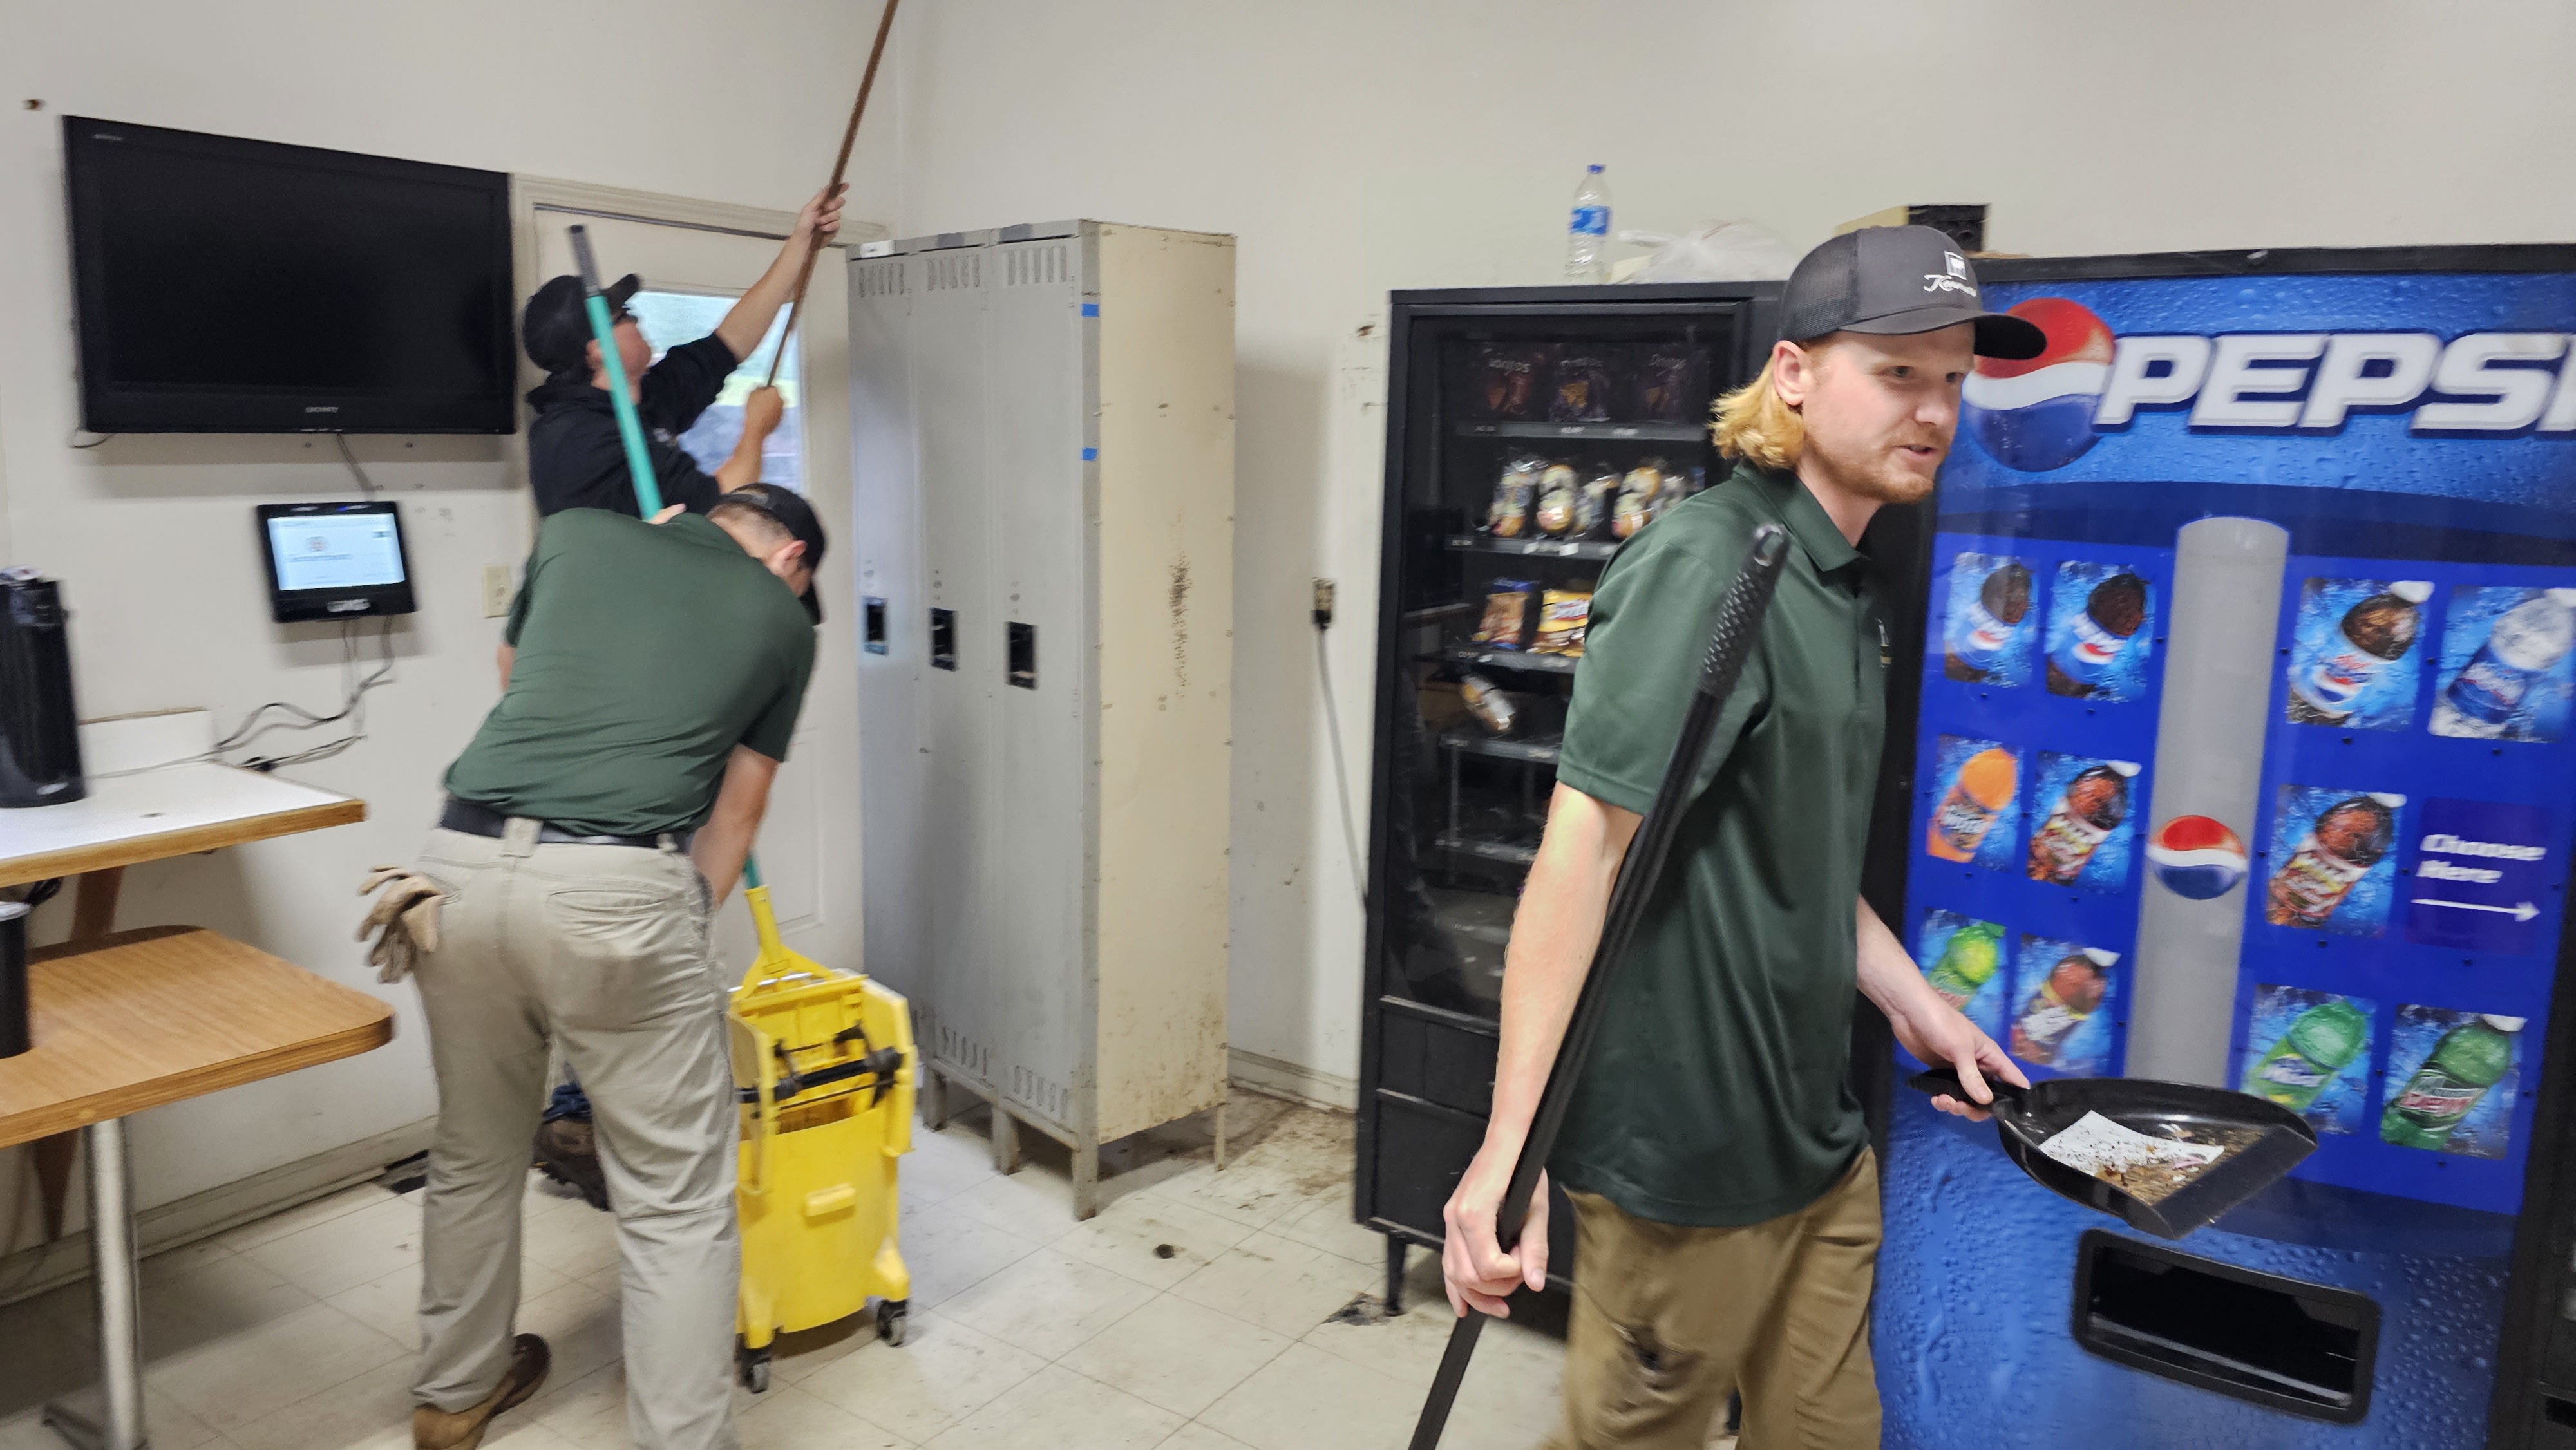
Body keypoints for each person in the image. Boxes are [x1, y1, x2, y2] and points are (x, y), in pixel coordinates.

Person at [1437, 226, 2043, 1450]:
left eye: (1954, 380)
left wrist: (1915, 1003)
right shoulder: (1714, 567)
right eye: (1898, 371)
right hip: (1682, 1167)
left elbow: (1793, 858)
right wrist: (1508, 1146)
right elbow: (1581, 851)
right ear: (1795, 372)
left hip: (1814, 1150)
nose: (1934, 410)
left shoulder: (1844, 585)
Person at [384, 483, 827, 1450]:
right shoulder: (784, 624)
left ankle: (453, 1397)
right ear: (790, 559)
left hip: (450, 872)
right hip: (618, 882)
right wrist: (662, 938)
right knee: (674, 1198)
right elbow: (735, 820)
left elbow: (521, 677)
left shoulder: (577, 535)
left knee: (472, 1152)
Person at [517, 185, 844, 518]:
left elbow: (729, 342)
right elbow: (721, 506)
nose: (636, 318)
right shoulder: (581, 439)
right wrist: (757, 428)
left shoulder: (640, 400)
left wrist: (801, 243)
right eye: (625, 315)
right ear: (599, 351)